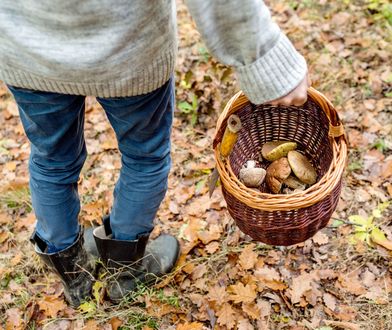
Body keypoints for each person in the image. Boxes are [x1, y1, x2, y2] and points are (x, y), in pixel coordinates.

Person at [0, 0, 310, 307]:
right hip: (127, 50)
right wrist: (265, 56)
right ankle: (125, 273)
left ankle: (75, 280)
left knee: (52, 161)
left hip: (28, 50)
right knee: (144, 158)